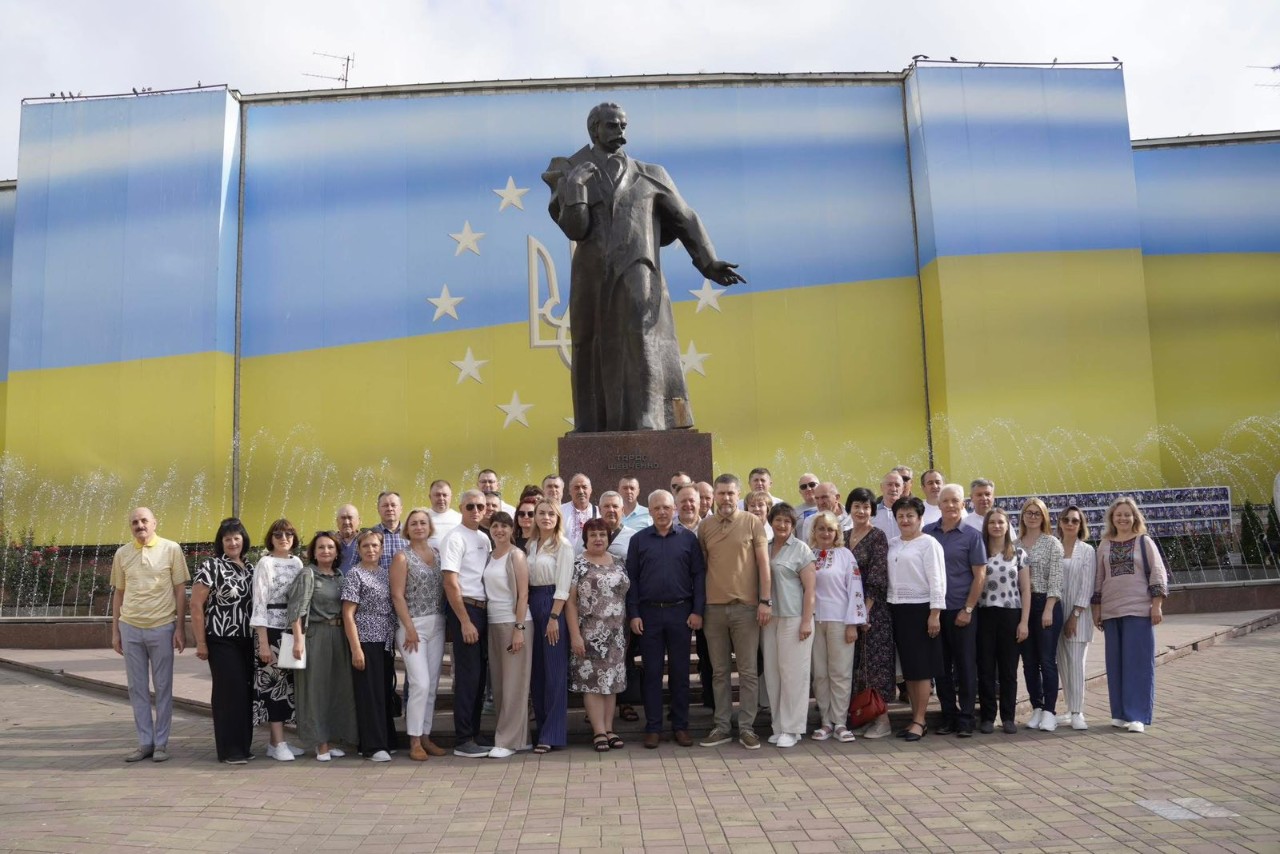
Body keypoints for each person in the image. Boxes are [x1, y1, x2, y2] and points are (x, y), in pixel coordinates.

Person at [543, 101, 744, 431]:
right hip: (592, 276)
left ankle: (647, 417)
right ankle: (592, 423)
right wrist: (576, 187)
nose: (620, 132)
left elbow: (685, 217)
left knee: (642, 335)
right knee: (588, 344)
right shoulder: (568, 168)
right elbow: (575, 229)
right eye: (612, 125)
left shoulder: (651, 174)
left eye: (623, 125)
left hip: (638, 266)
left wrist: (709, 262)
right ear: (594, 129)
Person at [626, 489, 706, 748]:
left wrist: (697, 610)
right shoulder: (638, 540)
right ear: (649, 511)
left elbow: (698, 576)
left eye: (666, 507)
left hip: (681, 613)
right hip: (648, 614)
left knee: (680, 673)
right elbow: (632, 579)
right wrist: (634, 613)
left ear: (675, 510)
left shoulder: (688, 539)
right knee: (652, 673)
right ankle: (653, 727)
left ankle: (681, 726)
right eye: (657, 508)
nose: (662, 512)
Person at [111, 507, 189, 764]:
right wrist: (115, 631)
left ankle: (161, 743)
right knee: (137, 688)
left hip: (162, 626)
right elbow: (119, 593)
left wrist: (180, 628)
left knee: (163, 687)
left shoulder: (171, 549)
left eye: (144, 520)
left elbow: (180, 590)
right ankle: (145, 742)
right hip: (130, 627)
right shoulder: (122, 553)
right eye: (135, 522)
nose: (140, 525)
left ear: (154, 523)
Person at [698, 474, 770, 750]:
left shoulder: (752, 522)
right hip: (713, 610)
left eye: (730, 493)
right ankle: (722, 726)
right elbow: (704, 567)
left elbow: (763, 565)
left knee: (748, 672)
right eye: (721, 493)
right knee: (719, 672)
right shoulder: (705, 526)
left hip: (746, 609)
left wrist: (765, 600)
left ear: (738, 495)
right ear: (714, 496)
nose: (726, 498)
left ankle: (747, 727)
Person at [1092, 497, 1168, 733]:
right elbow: (1098, 578)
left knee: (1138, 663)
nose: (1123, 518)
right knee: (1116, 664)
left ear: (1135, 517)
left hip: (1138, 610)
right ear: (1112, 518)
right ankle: (1120, 713)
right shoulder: (1104, 544)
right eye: (1118, 515)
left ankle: (1137, 715)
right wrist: (1097, 610)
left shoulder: (1144, 542)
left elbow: (1157, 573)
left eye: (1127, 514)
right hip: (1111, 612)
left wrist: (1156, 605)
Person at [287, 531, 358, 761]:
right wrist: (298, 640)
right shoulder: (308, 574)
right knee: (315, 691)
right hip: (316, 637)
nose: (326, 551)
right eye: (321, 547)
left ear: (337, 552)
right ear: (314, 552)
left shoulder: (340, 576)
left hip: (339, 636)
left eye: (330, 547)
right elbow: (296, 609)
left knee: (337, 689)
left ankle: (333, 737)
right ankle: (321, 743)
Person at [923, 484, 987, 738]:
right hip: (935, 612)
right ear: (939, 505)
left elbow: (980, 576)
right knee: (941, 668)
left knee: (965, 665)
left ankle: (966, 718)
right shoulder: (927, 533)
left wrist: (968, 608)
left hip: (962, 611)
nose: (950, 505)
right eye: (945, 501)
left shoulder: (972, 536)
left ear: (963, 504)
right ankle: (948, 715)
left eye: (955, 501)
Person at [191, 517, 254, 764]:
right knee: (229, 693)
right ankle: (230, 750)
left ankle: (244, 746)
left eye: (236, 538)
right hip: (221, 639)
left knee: (245, 692)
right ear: (221, 542)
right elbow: (196, 605)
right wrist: (201, 642)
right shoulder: (212, 566)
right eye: (227, 539)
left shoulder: (250, 567)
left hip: (247, 639)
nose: (233, 543)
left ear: (243, 540)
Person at [567, 518, 632, 750]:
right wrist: (575, 635)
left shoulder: (619, 562)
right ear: (585, 538)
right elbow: (570, 603)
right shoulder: (577, 564)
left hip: (616, 635)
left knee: (611, 683)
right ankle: (599, 732)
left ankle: (610, 728)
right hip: (589, 634)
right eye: (593, 535)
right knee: (593, 684)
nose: (598, 539)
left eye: (602, 534)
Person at [389, 509, 447, 760]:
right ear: (407, 529)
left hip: (437, 624)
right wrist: (409, 627)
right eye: (414, 523)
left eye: (423, 522)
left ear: (430, 527)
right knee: (419, 683)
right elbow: (396, 595)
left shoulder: (438, 554)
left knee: (432, 685)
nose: (419, 526)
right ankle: (413, 740)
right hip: (412, 626)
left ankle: (425, 736)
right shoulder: (402, 557)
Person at [886, 496, 946, 742]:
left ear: (920, 518)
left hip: (921, 610)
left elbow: (937, 580)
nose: (905, 520)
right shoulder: (892, 543)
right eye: (901, 516)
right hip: (897, 609)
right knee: (909, 669)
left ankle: (920, 720)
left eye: (910, 515)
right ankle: (914, 718)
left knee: (921, 669)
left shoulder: (928, 543)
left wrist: (935, 614)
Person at [440, 490, 494, 758]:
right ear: (461, 508)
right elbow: (450, 582)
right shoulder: (455, 537)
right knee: (467, 677)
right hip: (467, 609)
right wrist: (464, 621)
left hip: (484, 610)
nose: (476, 511)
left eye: (480, 506)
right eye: (470, 506)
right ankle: (463, 739)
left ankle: (474, 732)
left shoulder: (484, 537)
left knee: (480, 677)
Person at [760, 503, 816, 749]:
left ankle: (793, 729)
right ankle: (778, 726)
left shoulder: (801, 549)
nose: (782, 525)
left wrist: (806, 621)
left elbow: (810, 590)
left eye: (787, 521)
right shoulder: (765, 547)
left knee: (794, 676)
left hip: (794, 618)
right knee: (773, 674)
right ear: (771, 522)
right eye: (778, 520)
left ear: (793, 525)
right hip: (769, 619)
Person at [250, 518, 305, 761]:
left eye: (288, 534)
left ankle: (276, 744)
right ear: (270, 538)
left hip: (291, 629)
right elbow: (259, 602)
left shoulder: (297, 563)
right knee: (274, 686)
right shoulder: (265, 563)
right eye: (278, 534)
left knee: (288, 686)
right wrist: (262, 641)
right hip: (270, 630)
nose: (284, 539)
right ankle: (279, 742)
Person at [808, 511, 866, 743]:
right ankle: (826, 721)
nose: (825, 533)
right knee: (820, 674)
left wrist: (853, 624)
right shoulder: (808, 554)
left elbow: (855, 589)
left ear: (837, 532)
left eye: (830, 529)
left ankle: (840, 722)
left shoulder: (845, 555)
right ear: (814, 531)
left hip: (840, 621)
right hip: (814, 622)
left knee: (840, 673)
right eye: (821, 528)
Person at [341, 529, 397, 761]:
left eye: (375, 545)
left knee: (383, 691)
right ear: (359, 549)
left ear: (382, 549)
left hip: (385, 641)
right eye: (366, 546)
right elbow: (348, 614)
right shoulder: (355, 574)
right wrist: (356, 648)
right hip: (366, 639)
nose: (371, 549)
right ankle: (372, 746)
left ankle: (386, 739)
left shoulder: (385, 573)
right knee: (369, 694)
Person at [525, 499, 574, 753]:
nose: (546, 517)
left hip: (552, 604)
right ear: (535, 517)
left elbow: (564, 585)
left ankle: (553, 734)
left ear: (557, 519)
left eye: (551, 514)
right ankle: (542, 728)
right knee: (537, 672)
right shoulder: (530, 544)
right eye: (541, 513)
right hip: (531, 603)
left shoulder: (563, 545)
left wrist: (554, 617)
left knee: (554, 672)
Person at [482, 512, 532, 758]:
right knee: (501, 686)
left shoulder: (516, 555)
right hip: (494, 623)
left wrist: (519, 629)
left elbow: (523, 594)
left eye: (504, 526)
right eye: (495, 526)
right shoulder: (490, 556)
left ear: (512, 530)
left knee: (514, 685)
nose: (499, 530)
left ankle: (508, 741)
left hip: (515, 623)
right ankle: (521, 739)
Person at [845, 488, 894, 739]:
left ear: (872, 510)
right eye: (857, 506)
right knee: (858, 668)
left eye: (866, 506)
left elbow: (877, 577)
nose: (861, 511)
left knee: (875, 666)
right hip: (847, 610)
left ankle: (883, 721)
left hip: (872, 612)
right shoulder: (843, 536)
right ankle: (866, 715)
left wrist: (864, 613)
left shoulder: (878, 536)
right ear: (849, 509)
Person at [975, 509, 1030, 734]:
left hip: (1010, 615)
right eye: (992, 522)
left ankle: (1008, 717)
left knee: (1008, 670)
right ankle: (988, 716)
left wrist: (1024, 622)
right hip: (985, 614)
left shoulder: (1018, 553)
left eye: (1001, 522)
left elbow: (1025, 589)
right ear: (986, 526)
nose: (996, 526)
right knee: (986, 669)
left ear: (1007, 526)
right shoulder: (979, 551)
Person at [1018, 498, 1065, 732]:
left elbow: (1056, 579)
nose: (1033, 516)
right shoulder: (1015, 544)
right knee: (1029, 662)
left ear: (1044, 517)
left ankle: (1049, 711)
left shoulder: (1052, 543)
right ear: (1023, 516)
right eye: (1029, 512)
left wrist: (1048, 608)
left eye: (1037, 513)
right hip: (1023, 607)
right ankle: (1036, 706)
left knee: (1047, 660)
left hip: (1046, 603)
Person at [599, 490, 639, 722]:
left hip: (624, 607)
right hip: (597, 610)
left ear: (623, 510)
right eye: (606, 506)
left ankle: (626, 703)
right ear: (600, 509)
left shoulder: (634, 537)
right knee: (600, 656)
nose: (611, 510)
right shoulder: (591, 534)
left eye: (615, 506)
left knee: (625, 655)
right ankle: (598, 704)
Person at [1056, 505, 1096, 731]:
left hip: (1078, 614)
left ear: (1081, 525)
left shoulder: (1087, 551)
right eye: (1066, 519)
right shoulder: (1055, 547)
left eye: (1075, 520)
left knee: (1076, 663)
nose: (1070, 523)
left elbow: (1087, 586)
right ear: (1060, 523)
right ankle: (1069, 709)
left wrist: (1075, 615)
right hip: (1056, 612)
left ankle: (1078, 711)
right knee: (1063, 663)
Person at [562, 472, 599, 551]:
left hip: (591, 557)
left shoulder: (599, 512)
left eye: (584, 487)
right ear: (570, 491)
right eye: (577, 488)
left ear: (590, 490)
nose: (581, 491)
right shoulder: (560, 511)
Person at [373, 491, 407, 570]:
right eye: (385, 505)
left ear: (401, 509)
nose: (389, 509)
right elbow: (357, 565)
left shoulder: (411, 534)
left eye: (393, 505)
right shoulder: (369, 535)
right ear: (378, 509)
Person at [427, 480, 461, 552]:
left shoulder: (460, 518)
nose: (441, 498)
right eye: (437, 495)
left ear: (451, 497)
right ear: (430, 497)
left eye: (445, 495)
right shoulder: (422, 518)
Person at [873, 471, 905, 540]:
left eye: (897, 485)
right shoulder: (871, 512)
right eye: (889, 484)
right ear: (881, 487)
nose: (893, 489)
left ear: (902, 489)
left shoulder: (910, 513)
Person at [335, 504, 362, 574]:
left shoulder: (366, 541)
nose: (346, 522)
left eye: (350, 518)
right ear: (337, 521)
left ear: (359, 520)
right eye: (343, 518)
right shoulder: (330, 541)